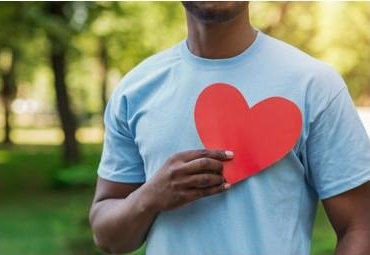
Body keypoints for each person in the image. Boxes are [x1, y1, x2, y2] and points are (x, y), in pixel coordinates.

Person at [89, 2, 370, 254]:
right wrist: (149, 197)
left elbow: (360, 228)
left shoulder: (314, 85)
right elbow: (108, 237)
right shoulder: (135, 90)